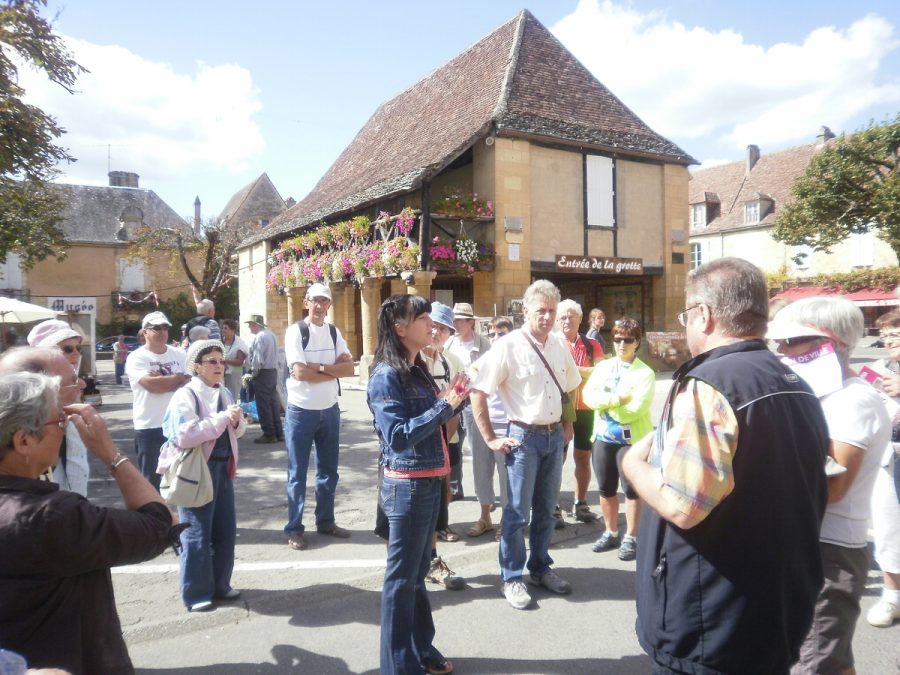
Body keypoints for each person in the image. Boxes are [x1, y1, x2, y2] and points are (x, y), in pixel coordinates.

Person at [621, 257, 830, 674]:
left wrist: (632, 463)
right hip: (776, 605)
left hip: (712, 619)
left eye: (687, 317)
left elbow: (683, 505)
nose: (686, 327)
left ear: (705, 315)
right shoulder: (794, 382)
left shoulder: (711, 384)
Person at [0, 371, 180, 674]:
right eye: (59, 419)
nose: (66, 426)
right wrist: (109, 451)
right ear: (24, 440)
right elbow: (158, 524)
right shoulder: (48, 517)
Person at [767, 297, 892, 674]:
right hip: (812, 541)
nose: (781, 349)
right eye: (779, 341)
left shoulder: (852, 401)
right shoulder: (824, 395)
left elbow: (831, 488)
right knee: (830, 658)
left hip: (830, 549)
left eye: (793, 341)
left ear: (830, 343)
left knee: (817, 661)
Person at [367, 294, 468, 675]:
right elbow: (397, 436)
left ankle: (421, 648)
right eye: (423, 317)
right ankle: (398, 665)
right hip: (406, 486)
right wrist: (445, 406)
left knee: (417, 571)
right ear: (400, 329)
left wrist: (456, 398)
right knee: (401, 580)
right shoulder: (386, 375)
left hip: (428, 479)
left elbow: (435, 419)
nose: (432, 324)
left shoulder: (418, 367)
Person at [469, 280, 581, 610]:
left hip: (553, 436)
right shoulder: (509, 345)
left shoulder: (560, 344)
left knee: (546, 510)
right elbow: (478, 391)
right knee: (516, 514)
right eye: (540, 311)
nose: (547, 317)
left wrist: (568, 424)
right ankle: (511, 577)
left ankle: (540, 568)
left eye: (551, 311)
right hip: (523, 437)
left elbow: (571, 385)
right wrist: (490, 437)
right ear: (525, 311)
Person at [162, 339, 246, 612]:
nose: (219, 366)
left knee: (224, 529)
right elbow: (185, 435)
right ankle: (196, 593)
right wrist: (224, 419)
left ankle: (220, 584)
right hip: (197, 470)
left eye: (221, 361)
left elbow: (238, 431)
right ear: (197, 366)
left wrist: (236, 422)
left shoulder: (225, 393)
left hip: (222, 467)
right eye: (212, 361)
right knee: (196, 531)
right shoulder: (185, 395)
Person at [283, 283, 355, 550]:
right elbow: (299, 373)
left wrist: (321, 367)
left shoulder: (334, 332)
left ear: (329, 305)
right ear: (306, 302)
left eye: (324, 301)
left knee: (328, 471)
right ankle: (294, 528)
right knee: (297, 473)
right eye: (315, 301)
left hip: (329, 408)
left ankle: (325, 521)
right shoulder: (296, 332)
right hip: (301, 410)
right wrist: (333, 370)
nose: (319, 306)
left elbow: (349, 369)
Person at [582, 317, 654, 561]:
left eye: (628, 340)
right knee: (605, 488)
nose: (622, 344)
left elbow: (637, 409)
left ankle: (631, 537)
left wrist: (605, 406)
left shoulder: (645, 373)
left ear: (637, 342)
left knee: (631, 490)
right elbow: (589, 397)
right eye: (617, 339)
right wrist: (615, 401)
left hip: (631, 440)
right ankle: (610, 532)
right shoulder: (603, 367)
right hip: (603, 436)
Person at [24, 321, 91, 496]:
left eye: (78, 347)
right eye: (67, 348)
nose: (76, 353)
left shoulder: (74, 382)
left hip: (72, 496)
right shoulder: (26, 395)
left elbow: (77, 458)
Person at [126, 311, 190, 490]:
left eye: (165, 328)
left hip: (179, 425)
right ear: (145, 332)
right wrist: (178, 378)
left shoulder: (180, 354)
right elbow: (152, 386)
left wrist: (166, 380)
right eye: (156, 328)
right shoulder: (137, 357)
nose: (162, 332)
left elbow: (191, 383)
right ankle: (155, 517)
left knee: (181, 479)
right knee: (152, 482)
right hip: (149, 426)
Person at [864, 310, 900, 628]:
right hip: (890, 457)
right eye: (886, 336)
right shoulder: (878, 369)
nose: (889, 342)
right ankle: (892, 596)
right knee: (889, 528)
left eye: (895, 335)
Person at [556, 299, 603, 525]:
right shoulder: (552, 343)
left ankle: (580, 502)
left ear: (580, 319)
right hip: (559, 409)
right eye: (562, 317)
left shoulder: (591, 344)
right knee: (557, 458)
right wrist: (585, 372)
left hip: (586, 408)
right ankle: (552, 505)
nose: (566, 321)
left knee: (583, 456)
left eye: (571, 316)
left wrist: (572, 370)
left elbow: (602, 372)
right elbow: (558, 374)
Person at [445, 302, 491, 501]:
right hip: (454, 402)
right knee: (452, 446)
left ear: (471, 322)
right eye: (453, 320)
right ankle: (455, 487)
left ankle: (484, 496)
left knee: (478, 450)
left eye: (460, 321)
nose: (455, 324)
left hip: (473, 401)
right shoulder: (448, 343)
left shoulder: (483, 344)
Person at [245, 314, 282, 444]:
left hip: (263, 373)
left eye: (250, 325)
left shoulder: (260, 337)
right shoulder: (270, 334)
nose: (249, 327)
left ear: (256, 325)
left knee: (263, 405)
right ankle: (278, 432)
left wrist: (252, 373)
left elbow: (257, 359)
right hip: (272, 372)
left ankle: (269, 433)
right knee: (273, 403)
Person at [221, 319, 248, 402]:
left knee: (231, 397)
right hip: (222, 373)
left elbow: (240, 361)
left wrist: (226, 361)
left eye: (226, 328)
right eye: (223, 328)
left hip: (234, 375)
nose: (223, 330)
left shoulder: (239, 343)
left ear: (232, 330)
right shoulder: (222, 340)